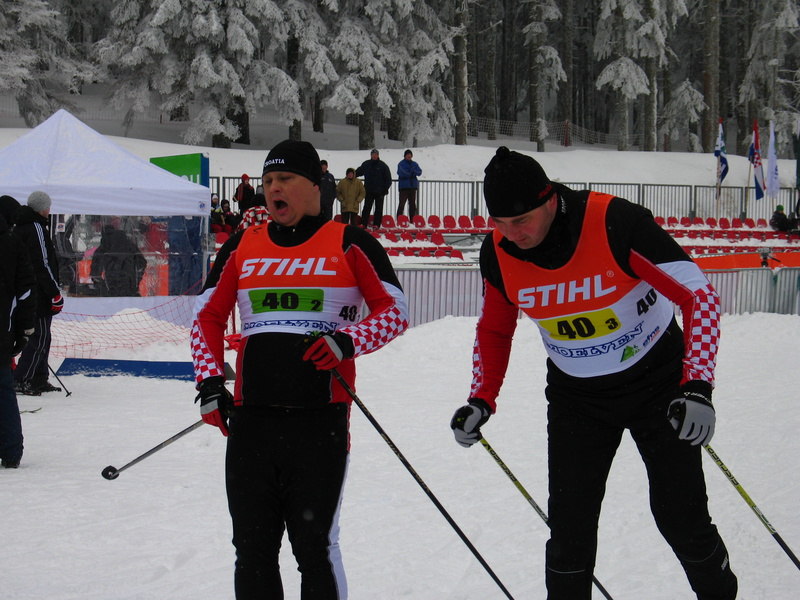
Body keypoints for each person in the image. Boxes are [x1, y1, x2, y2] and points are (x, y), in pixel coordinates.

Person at [450, 147, 737, 600]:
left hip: (658, 385)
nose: (512, 234)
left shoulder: (613, 223)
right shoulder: (499, 252)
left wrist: (698, 386)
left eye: (521, 220)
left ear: (549, 199)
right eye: (500, 223)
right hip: (578, 400)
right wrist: (480, 398)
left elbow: (698, 296)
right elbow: (494, 329)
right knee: (570, 532)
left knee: (681, 518)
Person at [191, 139, 409, 599]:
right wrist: (209, 382)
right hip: (252, 422)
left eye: (285, 178)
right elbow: (205, 316)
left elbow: (395, 312)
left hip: (319, 422)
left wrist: (346, 341)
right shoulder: (243, 244)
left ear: (315, 186)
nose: (274, 188)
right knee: (252, 550)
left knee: (314, 549)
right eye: (268, 180)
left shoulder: (350, 241)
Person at [13, 191, 63, 396]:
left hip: (28, 289)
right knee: (40, 336)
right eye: (48, 206)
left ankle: (38, 377)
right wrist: (54, 291)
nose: (49, 210)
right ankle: (22, 378)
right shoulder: (36, 227)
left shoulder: (22, 226)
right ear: (42, 208)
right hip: (38, 292)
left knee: (42, 336)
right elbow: (42, 263)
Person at [0, 197, 36, 468]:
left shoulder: (12, 242)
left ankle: (12, 450)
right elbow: (25, 291)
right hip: (4, 329)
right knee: (3, 391)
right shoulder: (12, 243)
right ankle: (11, 451)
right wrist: (24, 329)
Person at [90, 217, 148, 297]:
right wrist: (135, 282)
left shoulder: (103, 248)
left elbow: (95, 274)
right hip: (130, 289)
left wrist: (103, 289)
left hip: (110, 292)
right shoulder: (130, 246)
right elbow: (142, 263)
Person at [355, 149, 392, 228]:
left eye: (376, 154)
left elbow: (388, 179)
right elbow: (358, 172)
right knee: (366, 208)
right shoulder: (366, 164)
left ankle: (376, 224)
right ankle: (363, 223)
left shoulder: (383, 166)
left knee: (379, 209)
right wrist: (350, 174)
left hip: (380, 192)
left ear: (378, 155)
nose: (374, 156)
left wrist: (385, 189)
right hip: (369, 191)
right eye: (373, 154)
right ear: (371, 155)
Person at [396, 149, 422, 219]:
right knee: (402, 204)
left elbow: (419, 172)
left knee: (412, 204)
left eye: (410, 155)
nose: (409, 156)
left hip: (412, 187)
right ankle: (399, 219)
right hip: (404, 187)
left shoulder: (415, 164)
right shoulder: (401, 164)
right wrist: (412, 173)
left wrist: (413, 172)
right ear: (405, 156)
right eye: (407, 155)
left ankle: (413, 219)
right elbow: (401, 173)